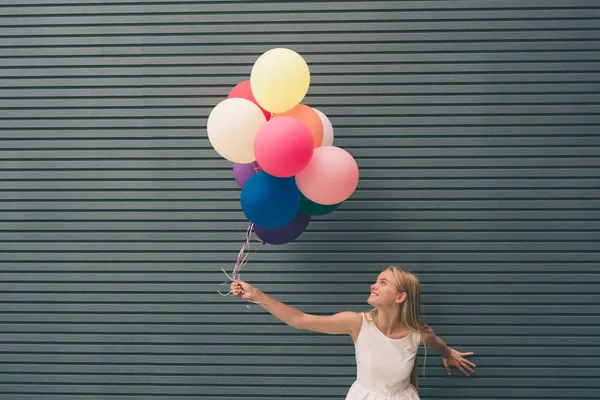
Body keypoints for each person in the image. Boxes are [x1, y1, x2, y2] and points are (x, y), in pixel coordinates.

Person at [230, 265, 476, 399]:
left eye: (383, 282)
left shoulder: (418, 334)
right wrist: (256, 295)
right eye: (376, 280)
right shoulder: (357, 323)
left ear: (401, 297)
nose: (374, 284)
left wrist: (449, 355)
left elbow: (437, 344)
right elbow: (300, 320)